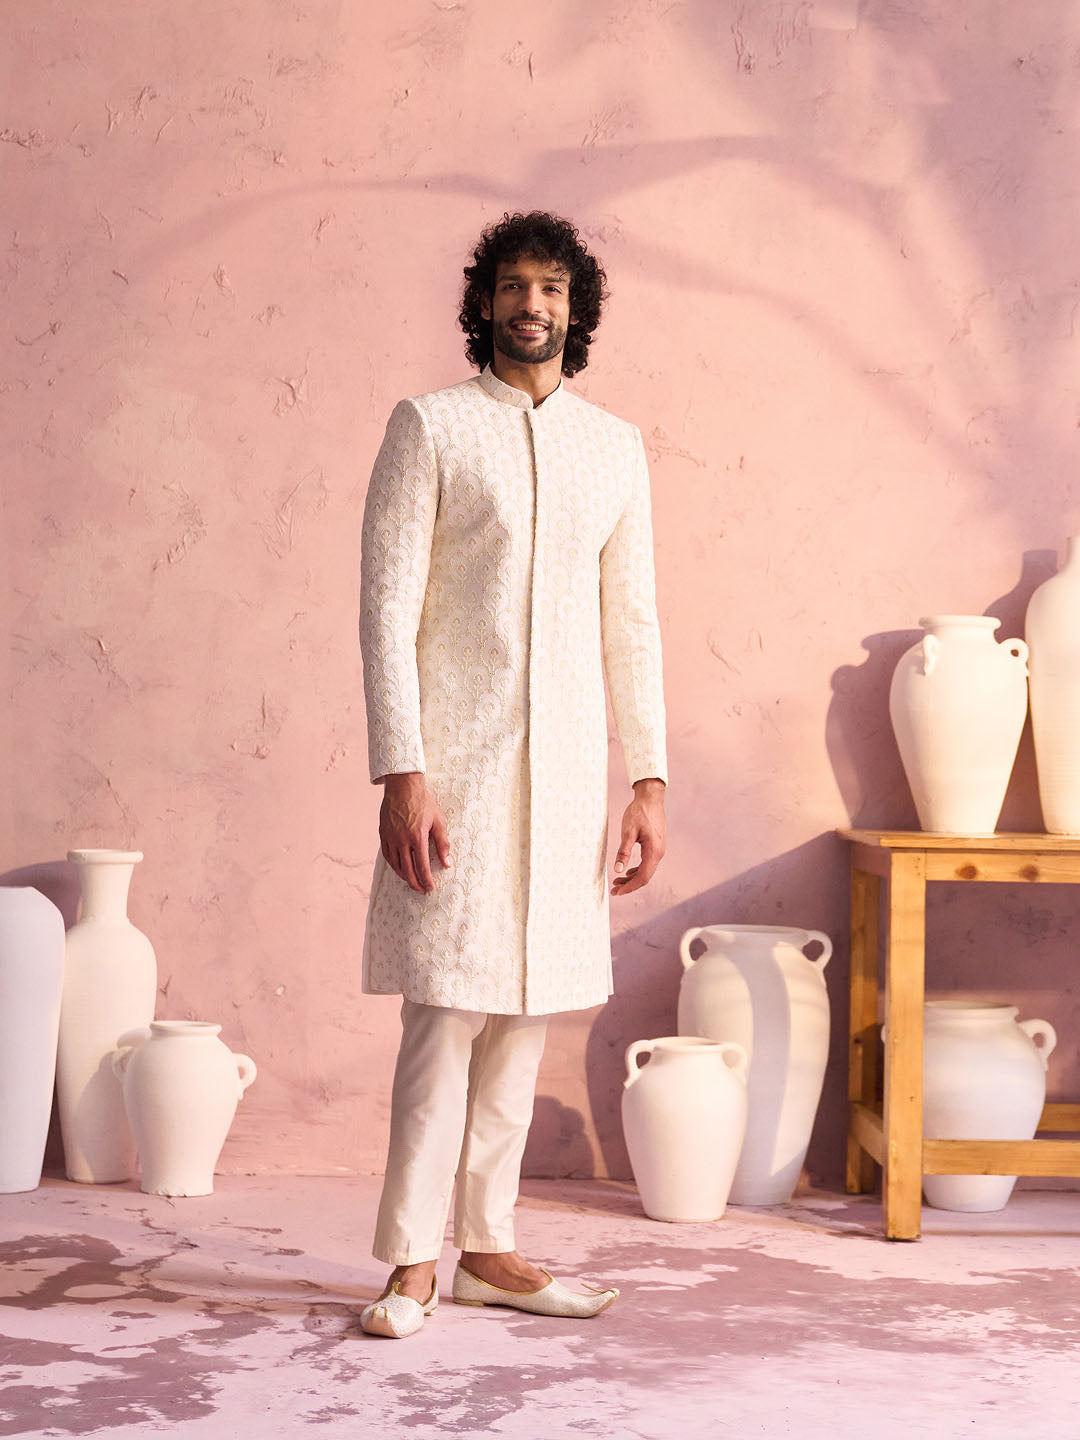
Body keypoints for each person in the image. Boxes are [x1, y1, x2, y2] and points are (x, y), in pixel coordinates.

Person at [357, 210, 668, 1338]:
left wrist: (650, 779)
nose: (531, 305)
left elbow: (631, 622)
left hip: (570, 777)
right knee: (447, 1011)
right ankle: (411, 1264)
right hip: (460, 770)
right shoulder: (431, 426)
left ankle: (487, 1250)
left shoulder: (613, 447)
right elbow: (386, 609)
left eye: (551, 289)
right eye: (512, 286)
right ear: (483, 304)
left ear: (575, 311)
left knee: (527, 1014)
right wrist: (403, 769)